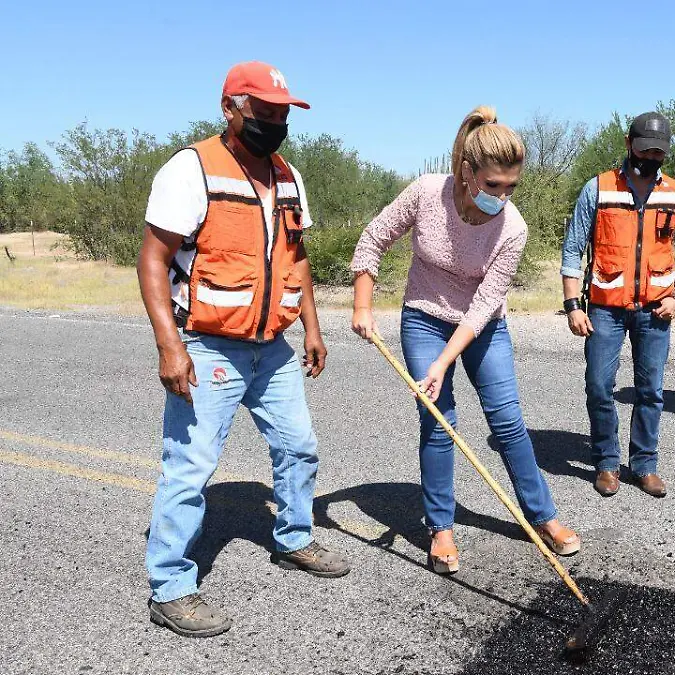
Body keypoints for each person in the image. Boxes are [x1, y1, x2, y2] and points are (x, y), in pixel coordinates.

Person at [137, 61, 349, 638]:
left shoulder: (289, 177)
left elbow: (296, 259)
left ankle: (295, 538)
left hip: (272, 347)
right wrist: (168, 345)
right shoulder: (191, 169)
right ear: (230, 108)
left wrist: (312, 327)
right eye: (265, 111)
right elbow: (153, 259)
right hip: (207, 345)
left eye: (283, 112)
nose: (276, 121)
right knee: (190, 466)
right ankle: (171, 586)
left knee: (299, 445)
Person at [351, 106, 581, 573]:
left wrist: (442, 362)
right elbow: (374, 239)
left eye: (511, 186)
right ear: (467, 172)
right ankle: (440, 528)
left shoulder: (512, 227)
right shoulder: (426, 193)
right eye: (493, 185)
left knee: (508, 421)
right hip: (424, 319)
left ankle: (543, 517)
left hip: (482, 327)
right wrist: (362, 305)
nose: (502, 196)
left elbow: (483, 305)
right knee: (439, 421)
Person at [560, 111, 675, 498]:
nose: (651, 157)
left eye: (659, 152)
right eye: (645, 149)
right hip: (605, 309)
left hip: (656, 310)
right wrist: (573, 305)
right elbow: (573, 250)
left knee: (650, 390)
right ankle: (606, 462)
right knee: (599, 386)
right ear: (628, 144)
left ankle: (644, 464)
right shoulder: (599, 189)